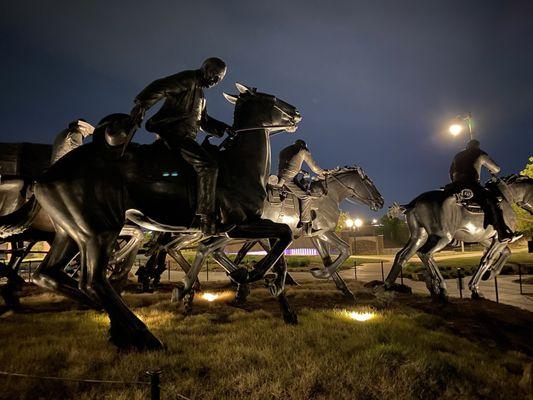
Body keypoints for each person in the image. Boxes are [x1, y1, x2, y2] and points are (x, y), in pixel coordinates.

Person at [129, 57, 231, 235]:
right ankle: (207, 218)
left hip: (186, 138)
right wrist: (142, 103)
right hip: (175, 136)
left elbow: (204, 121)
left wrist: (225, 129)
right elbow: (161, 86)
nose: (215, 81)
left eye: (219, 80)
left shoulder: (201, 96)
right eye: (215, 75)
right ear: (205, 68)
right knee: (208, 166)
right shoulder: (188, 79)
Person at [449, 139, 513, 241]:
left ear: (467, 146)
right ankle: (502, 232)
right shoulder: (479, 153)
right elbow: (496, 169)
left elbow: (450, 172)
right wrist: (489, 168)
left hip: (454, 185)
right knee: (493, 200)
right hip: (471, 184)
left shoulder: (458, 155)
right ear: (477, 146)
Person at [276, 139, 325, 234]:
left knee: (303, 189)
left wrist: (302, 171)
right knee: (306, 196)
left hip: (281, 177)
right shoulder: (303, 150)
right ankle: (305, 223)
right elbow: (314, 168)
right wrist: (323, 172)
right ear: (304, 145)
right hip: (288, 179)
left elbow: (289, 164)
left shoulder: (285, 150)